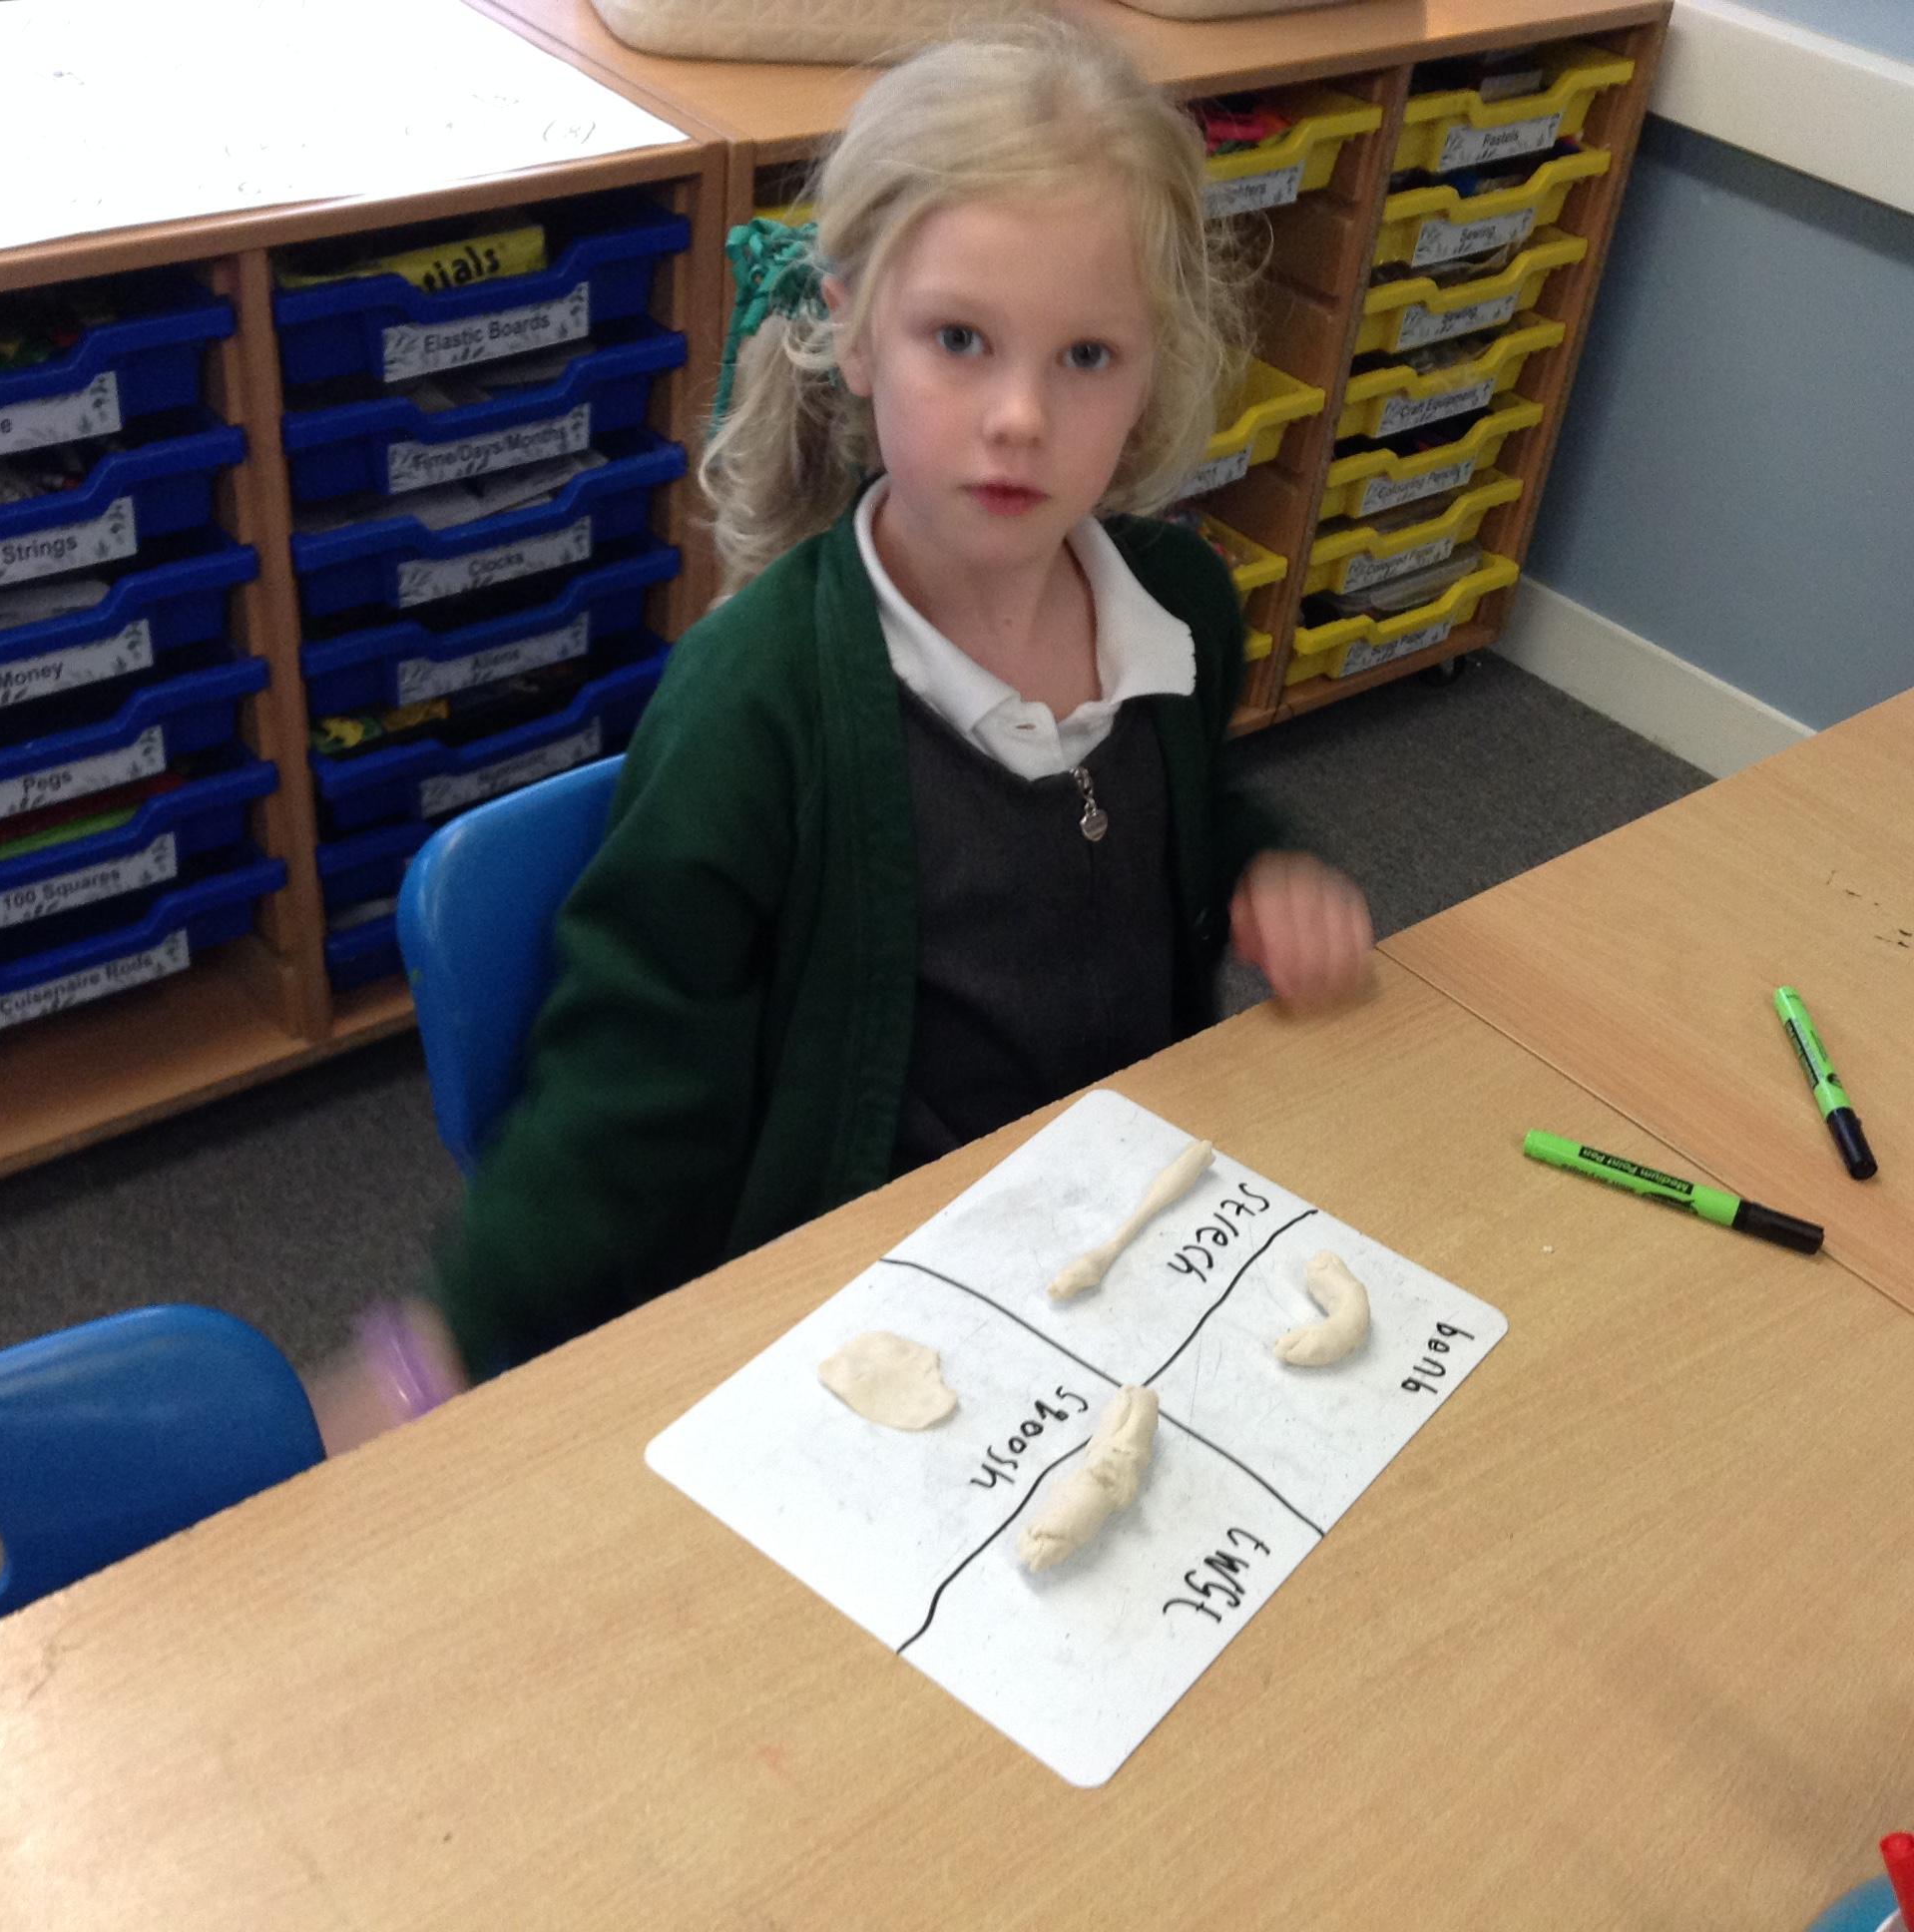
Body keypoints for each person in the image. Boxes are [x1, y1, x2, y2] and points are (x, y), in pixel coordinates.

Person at [307, 14, 1372, 1453]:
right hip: (870, 1312)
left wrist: (1264, 865)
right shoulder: (757, 703)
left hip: (1114, 1237)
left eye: (1086, 356)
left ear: (1150, 375)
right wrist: (444, 1336)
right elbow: (631, 1078)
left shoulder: (1176, 607)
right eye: (960, 341)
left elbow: (1178, 813)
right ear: (857, 330)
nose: (1019, 415)